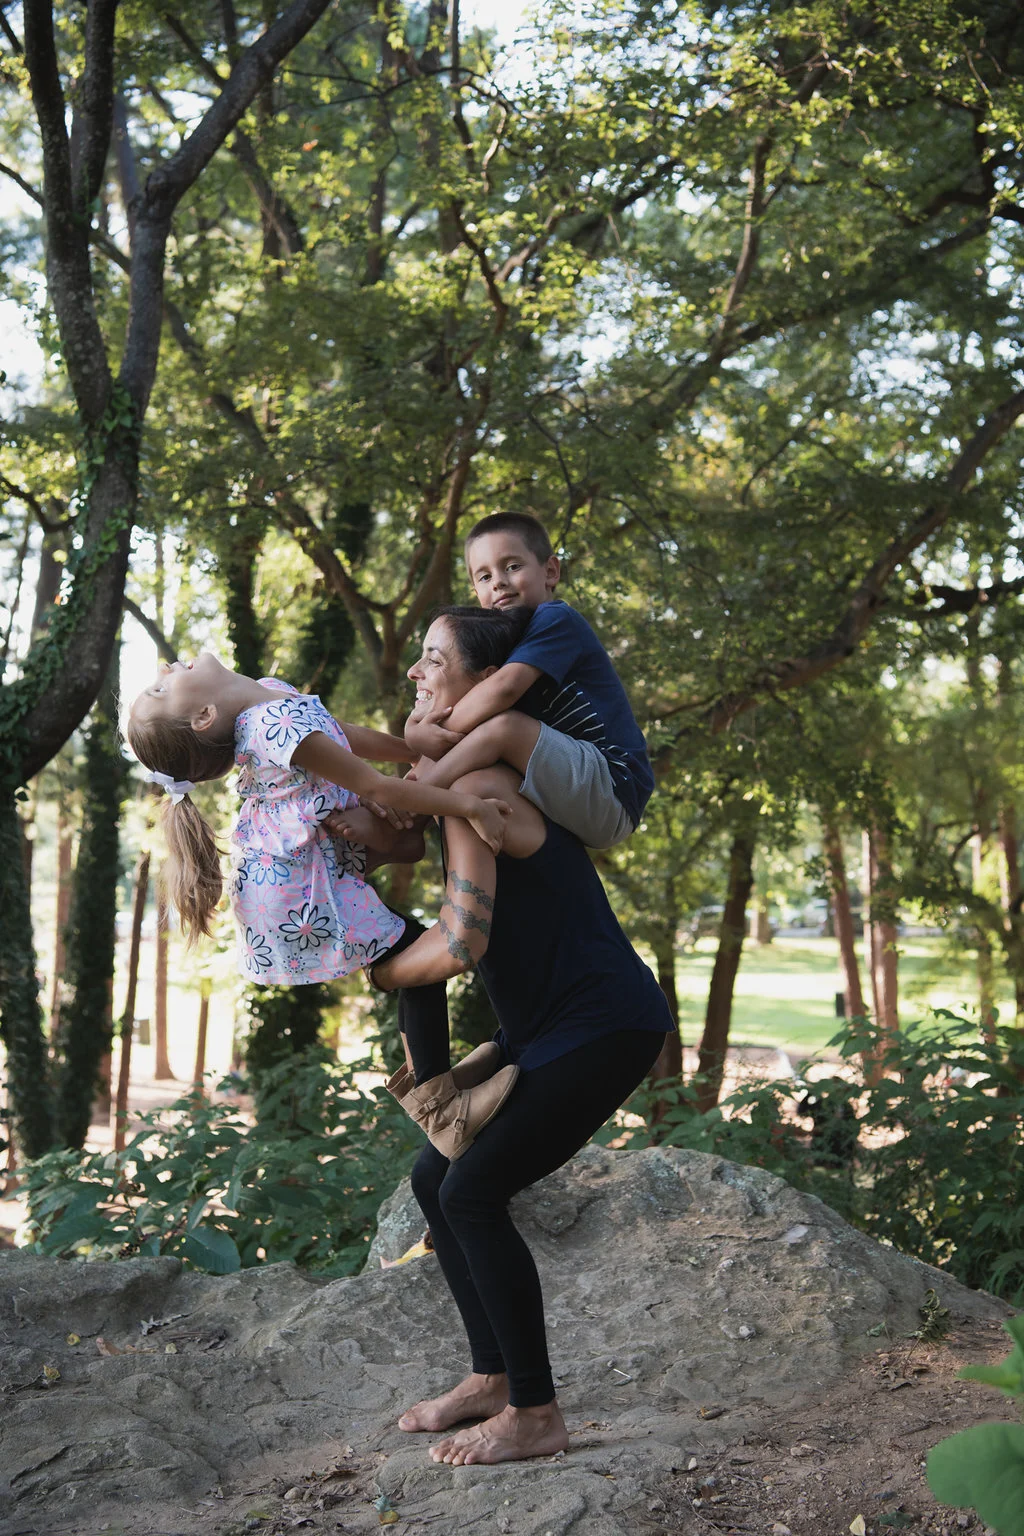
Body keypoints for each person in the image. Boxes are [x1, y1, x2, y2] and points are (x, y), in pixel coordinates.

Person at [368, 606, 672, 1467]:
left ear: (481, 683)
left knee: (471, 1192)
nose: (417, 673)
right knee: (436, 1181)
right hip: (547, 1028)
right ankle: (492, 1377)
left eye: (435, 660)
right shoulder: (460, 784)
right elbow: (383, 779)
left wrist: (384, 966)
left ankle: (535, 1413)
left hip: (605, 1021)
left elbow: (458, 945)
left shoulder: (490, 786)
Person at [125, 655, 519, 1156]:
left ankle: (432, 1085)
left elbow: (340, 736)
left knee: (413, 948)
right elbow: (374, 786)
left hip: (299, 869)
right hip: (297, 892)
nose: (164, 667)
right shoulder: (269, 725)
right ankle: (441, 1109)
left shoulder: (267, 694)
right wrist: (471, 806)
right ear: (204, 716)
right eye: (160, 690)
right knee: (420, 957)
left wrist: (415, 749)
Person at [404, 512, 655, 850]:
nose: (498, 582)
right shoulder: (497, 642)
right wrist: (415, 732)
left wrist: (432, 734)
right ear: (476, 590)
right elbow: (454, 710)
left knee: (502, 726)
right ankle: (404, 829)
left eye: (512, 567)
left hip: (613, 785)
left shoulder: (556, 619)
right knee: (472, 761)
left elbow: (504, 690)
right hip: (563, 786)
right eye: (484, 576)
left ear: (550, 571)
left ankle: (409, 803)